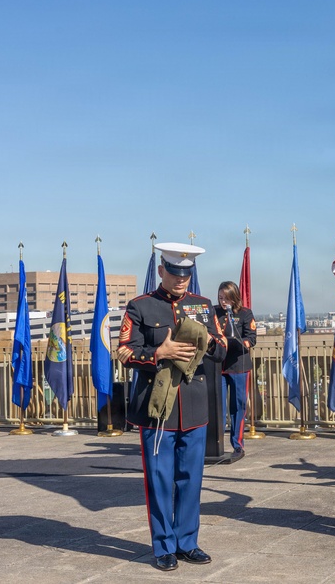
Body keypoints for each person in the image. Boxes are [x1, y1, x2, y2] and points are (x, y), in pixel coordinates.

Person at [117, 242, 227, 571]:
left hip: (193, 406)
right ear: (162, 270)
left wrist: (205, 343)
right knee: (161, 480)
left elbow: (222, 348)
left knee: (191, 479)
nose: (181, 280)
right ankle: (164, 545)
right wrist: (158, 354)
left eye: (186, 274)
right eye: (175, 273)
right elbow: (124, 352)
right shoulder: (140, 307)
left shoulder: (203, 306)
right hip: (156, 410)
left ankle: (187, 542)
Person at [215, 281, 258, 459]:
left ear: (234, 297)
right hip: (219, 366)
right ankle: (215, 444)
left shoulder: (245, 313)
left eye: (226, 298)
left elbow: (251, 337)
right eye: (220, 298)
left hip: (239, 366)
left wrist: (242, 343)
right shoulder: (213, 312)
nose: (222, 301)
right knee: (218, 407)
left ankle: (237, 444)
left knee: (238, 406)